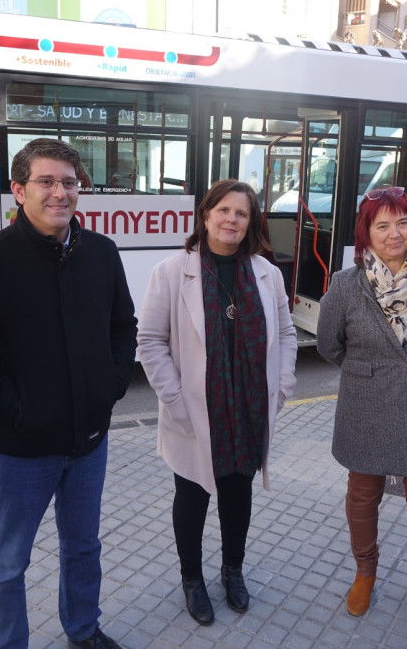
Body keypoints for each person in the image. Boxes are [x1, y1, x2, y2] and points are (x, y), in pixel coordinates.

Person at [0, 138, 137, 649]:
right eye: (46, 182)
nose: (60, 193)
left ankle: (83, 629)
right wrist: (11, 406)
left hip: (89, 441)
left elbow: (123, 326)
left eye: (69, 182)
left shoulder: (101, 252)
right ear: (19, 189)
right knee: (9, 561)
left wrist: (112, 384)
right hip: (21, 451)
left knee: (83, 548)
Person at [137, 179, 298, 626]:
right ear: (205, 215)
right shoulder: (172, 271)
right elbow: (149, 341)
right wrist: (175, 400)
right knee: (191, 496)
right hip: (195, 411)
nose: (232, 220)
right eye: (224, 211)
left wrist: (281, 385)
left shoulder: (267, 273)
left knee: (237, 494)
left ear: (251, 223)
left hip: (248, 409)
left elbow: (286, 334)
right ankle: (192, 580)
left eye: (242, 214)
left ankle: (232, 571)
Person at [316, 185, 407, 638]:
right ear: (367, 233)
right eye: (382, 225)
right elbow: (328, 345)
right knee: (362, 499)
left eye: (402, 222)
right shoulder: (345, 283)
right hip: (365, 408)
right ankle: (365, 574)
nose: (394, 233)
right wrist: (373, 374)